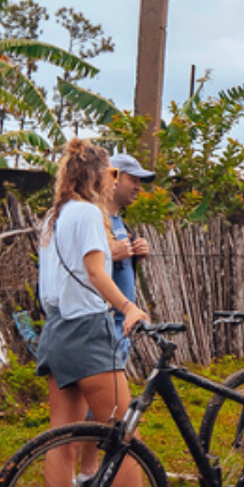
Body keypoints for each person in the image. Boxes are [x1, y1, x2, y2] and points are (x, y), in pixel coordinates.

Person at [35, 139, 190, 487]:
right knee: (125, 437)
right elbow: (96, 271)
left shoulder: (53, 216)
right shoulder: (88, 213)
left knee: (61, 437)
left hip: (56, 331)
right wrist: (128, 307)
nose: (113, 181)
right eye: (109, 174)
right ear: (98, 175)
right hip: (88, 330)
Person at [104, 151, 155, 354]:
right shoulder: (94, 218)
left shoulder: (119, 222)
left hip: (122, 324)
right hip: (104, 324)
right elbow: (83, 264)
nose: (138, 187)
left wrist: (135, 255)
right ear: (112, 177)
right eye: (132, 179)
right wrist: (109, 253)